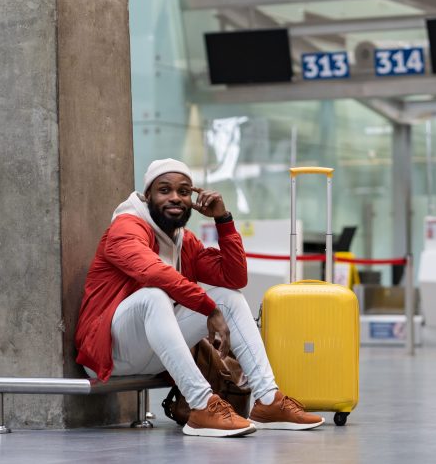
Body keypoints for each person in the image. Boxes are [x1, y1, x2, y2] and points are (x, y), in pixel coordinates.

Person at [75, 158, 324, 437]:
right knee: (154, 296)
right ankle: (202, 405)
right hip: (111, 350)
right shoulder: (125, 228)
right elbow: (153, 272)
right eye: (164, 190)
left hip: (153, 352)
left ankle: (268, 400)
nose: (175, 198)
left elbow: (234, 278)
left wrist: (223, 220)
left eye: (183, 191)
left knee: (228, 298)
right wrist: (207, 308)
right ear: (147, 196)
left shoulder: (184, 240)